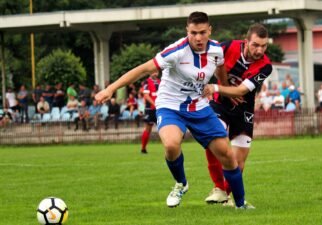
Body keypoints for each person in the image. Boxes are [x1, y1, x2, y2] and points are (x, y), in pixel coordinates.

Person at [95, 11, 249, 209]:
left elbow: (220, 70)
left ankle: (240, 204)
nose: (198, 37)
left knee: (227, 154)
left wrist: (226, 90)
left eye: (202, 32)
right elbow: (142, 69)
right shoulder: (175, 51)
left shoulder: (216, 50)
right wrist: (110, 89)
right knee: (171, 144)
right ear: (187, 31)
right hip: (170, 106)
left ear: (209, 30)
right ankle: (181, 184)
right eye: (193, 32)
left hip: (200, 107)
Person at [202, 23, 272, 207]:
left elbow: (241, 90)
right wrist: (224, 91)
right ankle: (218, 188)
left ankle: (225, 195)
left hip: (244, 107)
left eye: (264, 46)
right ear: (246, 41)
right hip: (220, 103)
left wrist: (217, 87)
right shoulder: (227, 47)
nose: (260, 50)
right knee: (214, 138)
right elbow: (217, 66)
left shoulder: (266, 66)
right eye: (256, 45)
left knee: (239, 162)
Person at [140, 71, 160, 154]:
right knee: (148, 128)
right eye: (153, 72)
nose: (155, 73)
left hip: (160, 108)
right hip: (151, 109)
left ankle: (169, 149)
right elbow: (146, 96)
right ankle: (143, 148)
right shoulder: (146, 82)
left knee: (164, 128)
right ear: (150, 73)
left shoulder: (160, 81)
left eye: (156, 72)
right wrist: (155, 104)